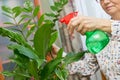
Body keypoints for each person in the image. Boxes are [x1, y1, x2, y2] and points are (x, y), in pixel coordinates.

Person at [53, 0, 120, 80]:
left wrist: (102, 24)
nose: (105, 2)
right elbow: (87, 67)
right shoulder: (100, 35)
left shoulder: (101, 25)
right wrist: (60, 55)